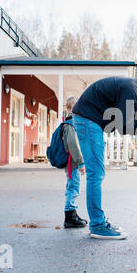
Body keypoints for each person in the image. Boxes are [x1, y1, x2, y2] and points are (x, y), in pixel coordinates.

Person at [72, 67, 137, 240]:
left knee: (97, 173)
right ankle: (97, 225)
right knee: (96, 174)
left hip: (92, 120)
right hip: (88, 119)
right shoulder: (132, 88)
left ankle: (99, 221)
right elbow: (123, 125)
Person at [62, 97, 88, 229]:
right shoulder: (70, 125)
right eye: (74, 106)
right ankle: (70, 217)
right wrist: (81, 163)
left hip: (72, 163)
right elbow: (73, 145)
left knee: (73, 188)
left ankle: (73, 214)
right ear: (69, 109)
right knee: (73, 189)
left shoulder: (72, 123)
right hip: (73, 164)